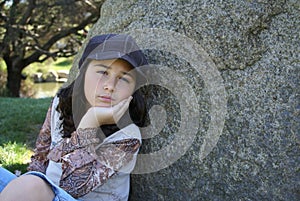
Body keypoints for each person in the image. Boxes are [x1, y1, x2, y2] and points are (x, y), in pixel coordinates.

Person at [0, 33, 148, 201]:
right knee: (27, 186)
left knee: (30, 187)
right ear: (83, 72)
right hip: (42, 190)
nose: (110, 86)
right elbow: (40, 157)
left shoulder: (127, 136)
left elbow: (69, 187)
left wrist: (89, 125)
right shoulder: (61, 103)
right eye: (103, 72)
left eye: (124, 79)